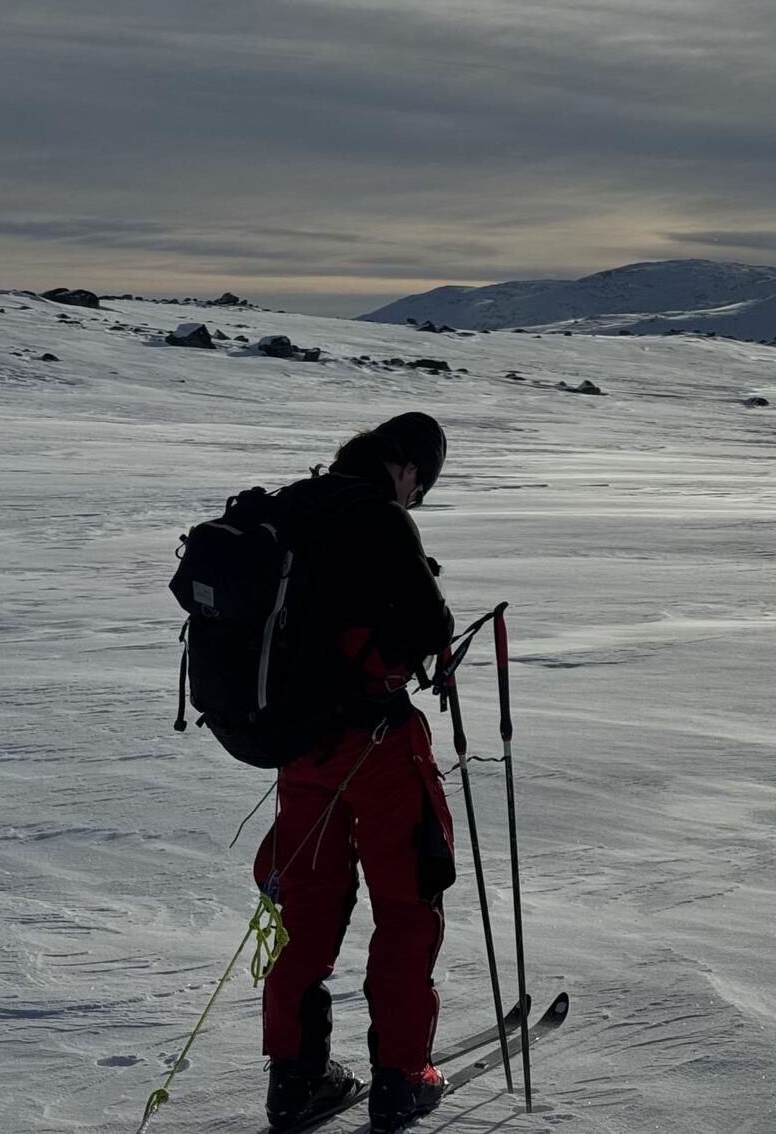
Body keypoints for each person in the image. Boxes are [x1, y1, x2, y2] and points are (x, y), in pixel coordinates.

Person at [255, 411, 459, 1133]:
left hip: (298, 747)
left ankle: (295, 1081)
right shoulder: (378, 516)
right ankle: (402, 1078)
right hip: (376, 745)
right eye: (419, 488)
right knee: (407, 902)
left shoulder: (296, 504)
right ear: (405, 468)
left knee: (306, 906)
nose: (414, 500)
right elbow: (433, 629)